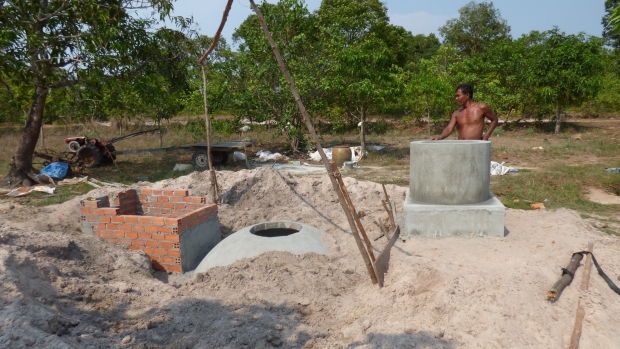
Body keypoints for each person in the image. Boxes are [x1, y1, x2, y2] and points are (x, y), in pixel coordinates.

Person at [430, 84, 499, 141]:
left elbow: (494, 119)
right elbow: (449, 128)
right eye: (455, 96)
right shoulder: (456, 113)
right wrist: (440, 137)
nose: (456, 98)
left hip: (476, 146)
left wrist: (487, 135)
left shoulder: (481, 108)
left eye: (458, 96)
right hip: (461, 146)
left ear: (467, 95)